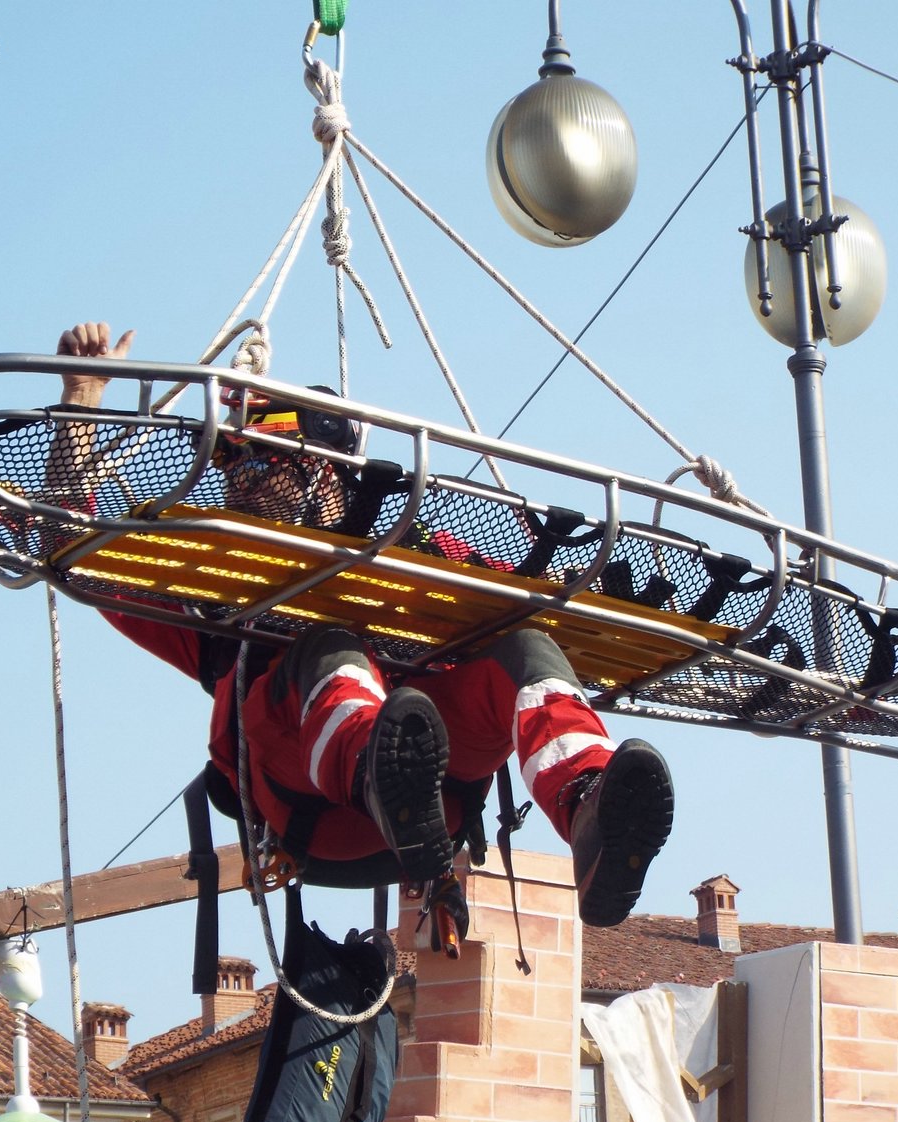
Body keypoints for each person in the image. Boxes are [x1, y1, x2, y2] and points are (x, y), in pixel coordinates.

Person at [52, 322, 674, 927]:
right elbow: (72, 545)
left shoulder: (422, 556)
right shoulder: (221, 594)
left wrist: (603, 596)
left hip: (441, 794)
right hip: (309, 799)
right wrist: (80, 406)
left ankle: (587, 806)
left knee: (527, 648)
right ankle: (381, 773)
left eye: (260, 465)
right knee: (330, 648)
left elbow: (523, 596)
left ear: (326, 471)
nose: (240, 488)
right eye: (230, 471)